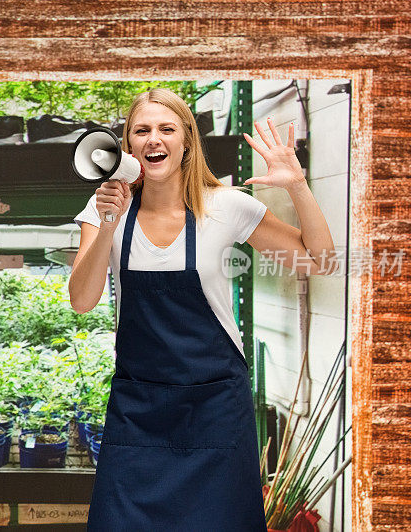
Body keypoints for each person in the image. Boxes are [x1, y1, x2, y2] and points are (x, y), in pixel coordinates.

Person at [69, 87, 336, 530]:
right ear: (128, 145)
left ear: (187, 140)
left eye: (166, 129)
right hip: (140, 410)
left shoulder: (226, 206)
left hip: (215, 409)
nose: (154, 139)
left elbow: (320, 262)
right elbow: (82, 300)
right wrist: (109, 223)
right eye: (142, 130)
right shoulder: (103, 210)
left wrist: (298, 185)